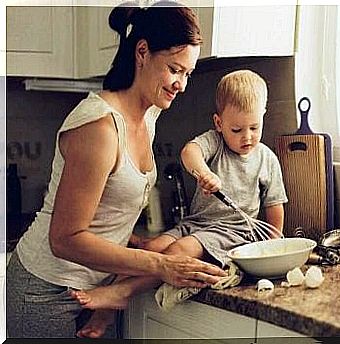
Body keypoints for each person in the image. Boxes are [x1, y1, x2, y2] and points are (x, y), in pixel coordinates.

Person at [6, 1, 227, 339]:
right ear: (142, 52)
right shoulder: (99, 126)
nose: (181, 83)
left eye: (187, 73)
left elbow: (105, 209)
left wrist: (135, 241)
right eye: (174, 69)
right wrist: (161, 265)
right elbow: (64, 239)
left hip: (99, 285)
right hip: (44, 291)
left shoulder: (149, 114)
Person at [69, 69, 289, 335]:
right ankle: (106, 312)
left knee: (177, 251)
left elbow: (275, 209)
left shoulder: (266, 159)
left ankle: (124, 291)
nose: (248, 137)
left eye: (255, 128)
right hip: (196, 224)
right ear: (219, 123)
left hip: (232, 232)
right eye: (237, 129)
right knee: (151, 248)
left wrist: (273, 252)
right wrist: (203, 173)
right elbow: (190, 152)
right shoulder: (214, 143)